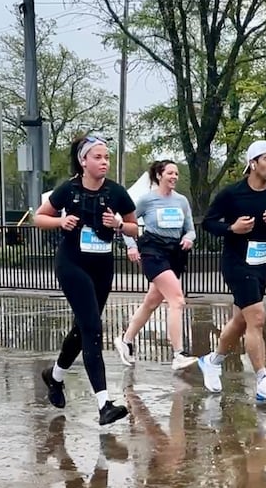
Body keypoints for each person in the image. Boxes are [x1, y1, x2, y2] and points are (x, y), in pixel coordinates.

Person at [35, 134, 139, 426]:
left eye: (106, 157)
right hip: (72, 264)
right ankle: (104, 404)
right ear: (83, 161)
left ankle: (54, 376)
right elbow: (39, 217)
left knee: (83, 329)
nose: (104, 162)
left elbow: (135, 228)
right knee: (93, 327)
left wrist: (119, 224)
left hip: (102, 267)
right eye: (98, 157)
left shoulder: (116, 192)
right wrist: (60, 221)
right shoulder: (68, 190)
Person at [196, 140, 266, 402]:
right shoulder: (232, 194)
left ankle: (212, 361)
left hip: (260, 264)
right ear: (253, 163)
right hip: (236, 263)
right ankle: (262, 381)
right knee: (258, 318)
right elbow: (208, 223)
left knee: (242, 321)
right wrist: (232, 228)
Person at [114, 159, 198, 371]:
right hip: (152, 252)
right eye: (170, 173)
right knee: (177, 300)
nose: (174, 177)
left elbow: (190, 229)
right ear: (159, 176)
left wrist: (189, 238)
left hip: (174, 254)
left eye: (176, 174)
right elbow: (128, 223)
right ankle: (178, 353)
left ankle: (125, 340)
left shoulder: (181, 201)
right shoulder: (147, 200)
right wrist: (131, 246)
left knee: (151, 302)